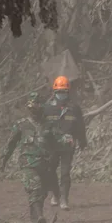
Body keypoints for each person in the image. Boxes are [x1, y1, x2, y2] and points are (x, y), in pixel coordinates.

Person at [0, 92, 71, 223]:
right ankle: (39, 217)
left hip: (45, 165)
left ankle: (36, 220)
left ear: (42, 107)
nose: (34, 110)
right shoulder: (21, 125)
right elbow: (10, 145)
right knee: (35, 189)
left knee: (42, 193)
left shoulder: (49, 125)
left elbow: (58, 139)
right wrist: (3, 162)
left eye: (37, 106)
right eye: (32, 107)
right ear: (28, 108)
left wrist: (67, 140)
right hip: (28, 165)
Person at [42, 75, 87, 210]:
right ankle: (55, 194)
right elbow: (42, 126)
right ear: (54, 92)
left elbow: (80, 126)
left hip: (68, 144)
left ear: (68, 92)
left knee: (65, 173)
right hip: (52, 145)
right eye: (59, 92)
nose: (61, 94)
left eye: (64, 92)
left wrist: (82, 141)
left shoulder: (74, 108)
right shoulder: (47, 107)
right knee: (50, 171)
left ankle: (64, 199)